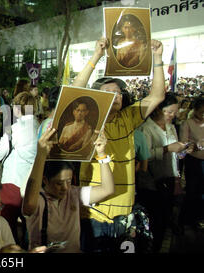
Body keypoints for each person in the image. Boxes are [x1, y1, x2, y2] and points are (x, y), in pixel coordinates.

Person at [72, 37, 165, 252]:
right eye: (109, 92)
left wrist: (157, 58)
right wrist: (96, 55)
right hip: (95, 214)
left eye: (119, 93)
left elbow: (158, 95)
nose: (116, 96)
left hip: (125, 212)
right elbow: (75, 90)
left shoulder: (129, 117)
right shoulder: (89, 119)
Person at [22, 127, 114, 253]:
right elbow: (28, 205)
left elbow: (107, 189)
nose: (65, 188)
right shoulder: (40, 200)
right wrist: (41, 156)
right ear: (45, 180)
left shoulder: (74, 194)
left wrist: (101, 153)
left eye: (69, 181)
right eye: (59, 183)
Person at [138, 94, 192, 252]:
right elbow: (144, 156)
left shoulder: (170, 127)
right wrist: (168, 149)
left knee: (163, 222)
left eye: (175, 112)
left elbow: (176, 155)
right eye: (168, 112)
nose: (172, 116)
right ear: (156, 110)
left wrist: (183, 150)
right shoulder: (145, 128)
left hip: (168, 181)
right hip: (151, 184)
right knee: (154, 222)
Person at [0, 91, 39, 245]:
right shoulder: (39, 126)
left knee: (7, 225)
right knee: (30, 226)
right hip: (33, 183)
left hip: (13, 180)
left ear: (17, 109)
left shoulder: (16, 128)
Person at [179, 97, 204, 230]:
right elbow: (184, 144)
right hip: (193, 161)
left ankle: (198, 218)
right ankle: (186, 220)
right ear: (195, 110)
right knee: (192, 191)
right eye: (201, 112)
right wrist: (195, 145)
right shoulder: (187, 123)